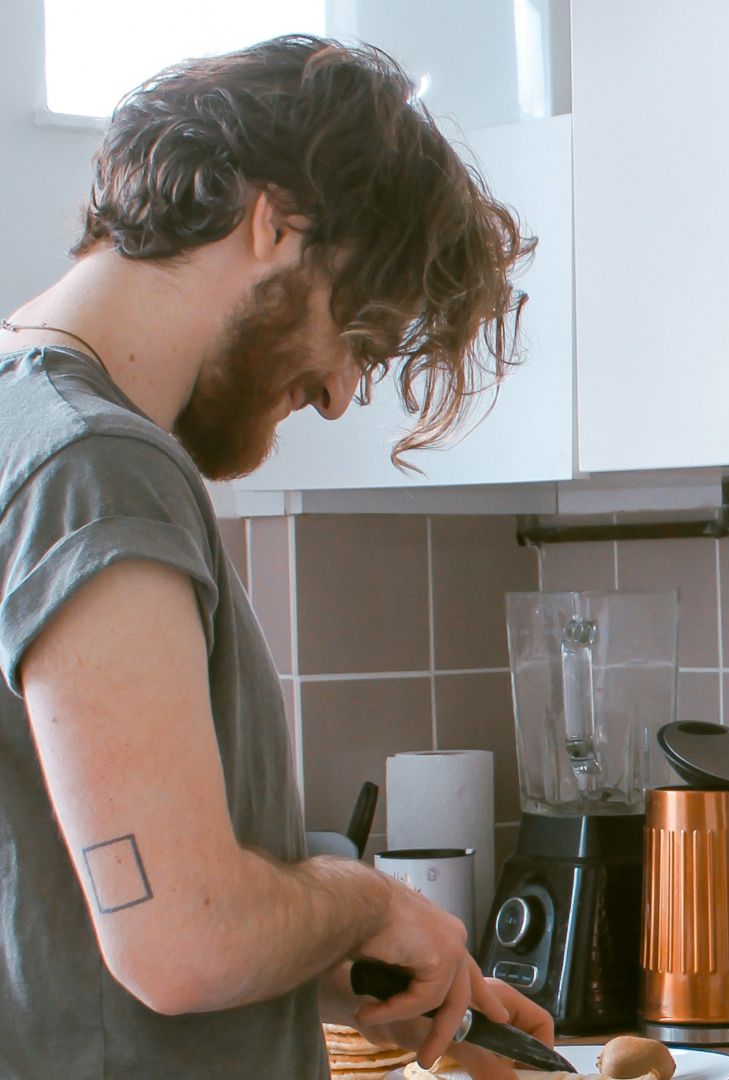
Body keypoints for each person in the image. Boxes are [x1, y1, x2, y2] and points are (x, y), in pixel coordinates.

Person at [0, 36, 553, 1079]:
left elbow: (71, 907)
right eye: (365, 328)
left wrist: (333, 960)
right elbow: (180, 944)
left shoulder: (24, 427)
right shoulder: (99, 466)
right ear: (275, 221)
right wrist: (363, 902)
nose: (344, 392)